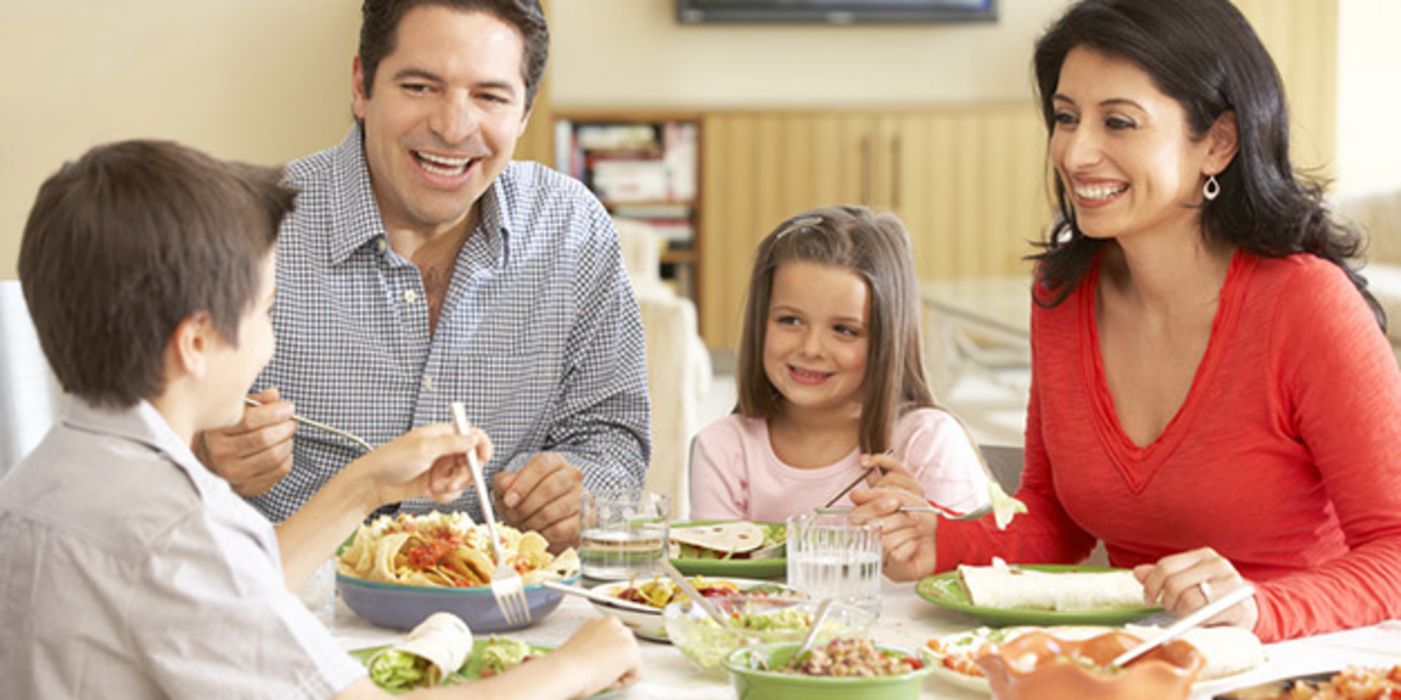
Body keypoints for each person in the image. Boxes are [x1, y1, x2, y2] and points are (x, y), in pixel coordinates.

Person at [0, 140, 641, 699]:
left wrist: (369, 484)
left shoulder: (49, 476)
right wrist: (576, 666)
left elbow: (236, 587)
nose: (269, 344)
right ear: (196, 342)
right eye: (264, 312)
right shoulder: (180, 526)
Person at [855, 0, 1401, 643]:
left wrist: (1258, 605)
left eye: (1119, 122)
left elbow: (1394, 550)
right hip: (1127, 663)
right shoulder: (1062, 294)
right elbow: (1057, 522)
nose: (1077, 152)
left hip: (1291, 663)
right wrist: (940, 540)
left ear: (1218, 142)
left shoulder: (1307, 305)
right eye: (1065, 118)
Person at [200, 0, 649, 550]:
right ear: (362, 86)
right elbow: (147, 448)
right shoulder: (253, 228)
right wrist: (207, 454)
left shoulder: (572, 229)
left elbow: (615, 440)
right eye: (419, 87)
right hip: (294, 603)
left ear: (525, 112)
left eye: (488, 96)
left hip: (502, 600)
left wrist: (574, 490)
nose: (453, 127)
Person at [689, 206, 990, 521]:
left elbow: (976, 567)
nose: (811, 348)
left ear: (887, 340)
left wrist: (924, 531)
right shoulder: (723, 447)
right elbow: (711, 566)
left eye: (845, 330)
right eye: (790, 320)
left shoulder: (927, 442)